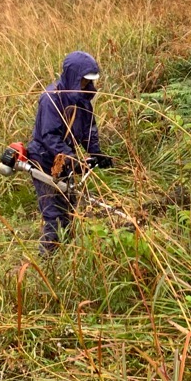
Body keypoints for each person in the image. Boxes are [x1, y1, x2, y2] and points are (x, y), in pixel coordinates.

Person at [26, 51, 112, 255]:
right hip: (45, 162)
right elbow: (50, 137)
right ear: (74, 76)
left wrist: (96, 153)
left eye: (90, 81)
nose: (87, 86)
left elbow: (88, 130)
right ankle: (47, 262)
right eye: (84, 81)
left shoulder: (83, 100)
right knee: (54, 216)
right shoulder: (51, 99)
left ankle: (66, 258)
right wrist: (72, 159)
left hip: (65, 160)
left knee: (69, 211)